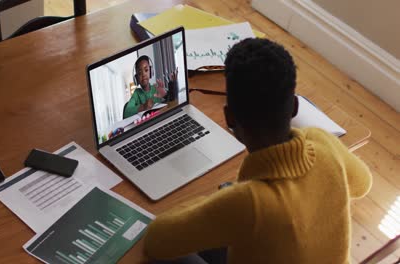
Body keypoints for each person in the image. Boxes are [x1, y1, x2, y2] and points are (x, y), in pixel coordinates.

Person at [143, 38, 372, 263]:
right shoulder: (323, 142)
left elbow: (156, 239)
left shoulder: (246, 203)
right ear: (294, 106)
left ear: (229, 117)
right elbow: (363, 184)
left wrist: (217, 202)